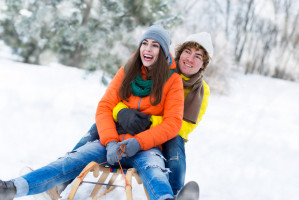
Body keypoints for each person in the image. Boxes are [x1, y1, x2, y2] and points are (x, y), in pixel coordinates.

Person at [0, 25, 185, 200]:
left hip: (146, 147)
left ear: (163, 51)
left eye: (155, 45)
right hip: (111, 143)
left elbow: (173, 123)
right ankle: (12, 188)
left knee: (155, 172)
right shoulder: (127, 71)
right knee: (68, 162)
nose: (148, 49)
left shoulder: (172, 81)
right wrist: (111, 142)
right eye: (145, 43)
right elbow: (104, 106)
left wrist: (139, 142)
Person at [69, 32, 214, 195]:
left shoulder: (202, 91)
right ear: (179, 54)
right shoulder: (160, 70)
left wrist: (148, 121)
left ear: (203, 64)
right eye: (187, 52)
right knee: (100, 126)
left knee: (176, 143)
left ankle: (175, 194)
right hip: (132, 123)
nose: (190, 59)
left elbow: (185, 126)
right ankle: (65, 174)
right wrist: (122, 112)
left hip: (166, 133)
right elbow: (127, 99)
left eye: (198, 56)